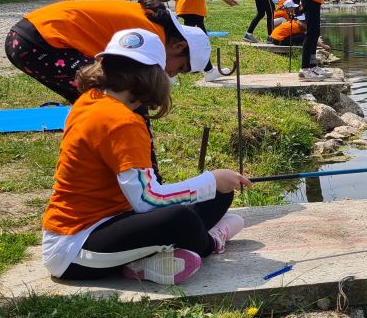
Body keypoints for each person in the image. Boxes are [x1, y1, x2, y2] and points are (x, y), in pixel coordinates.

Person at [40, 28, 250, 285]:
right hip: (76, 250)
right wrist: (210, 179)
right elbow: (147, 201)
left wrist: (214, 186)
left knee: (219, 194)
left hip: (107, 223)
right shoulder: (123, 122)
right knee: (181, 218)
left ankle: (147, 261)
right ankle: (211, 241)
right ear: (154, 75)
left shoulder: (90, 99)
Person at [5, 0, 212, 103]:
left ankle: (94, 163)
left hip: (26, 37)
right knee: (117, 99)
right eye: (179, 68)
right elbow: (134, 87)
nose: (171, 73)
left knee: (89, 101)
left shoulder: (153, 22)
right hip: (41, 42)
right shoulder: (151, 36)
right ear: (179, 46)